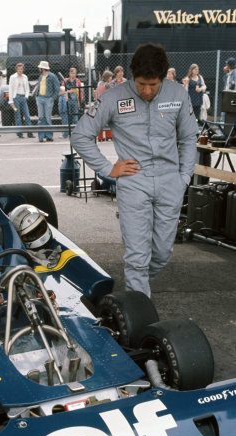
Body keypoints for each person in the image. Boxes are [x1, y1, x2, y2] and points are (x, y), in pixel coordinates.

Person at [71, 43, 198, 297]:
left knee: (162, 253)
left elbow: (189, 138)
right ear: (131, 74)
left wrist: (183, 177)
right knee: (137, 257)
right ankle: (139, 315)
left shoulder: (178, 94)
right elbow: (81, 136)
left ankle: (132, 293)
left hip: (170, 182)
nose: (148, 91)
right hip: (133, 182)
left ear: (163, 77)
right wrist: (108, 168)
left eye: (154, 85)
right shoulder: (112, 97)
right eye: (142, 84)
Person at [34, 60, 60, 142]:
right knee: (41, 118)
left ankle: (49, 136)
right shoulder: (41, 76)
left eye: (40, 68)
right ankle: (41, 136)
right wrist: (37, 96)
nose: (39, 69)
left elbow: (57, 87)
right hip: (40, 98)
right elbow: (38, 86)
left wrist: (53, 98)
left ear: (43, 68)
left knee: (48, 118)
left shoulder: (52, 76)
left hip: (48, 99)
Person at [8, 63, 35, 138]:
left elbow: (27, 88)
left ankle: (30, 133)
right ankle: (19, 133)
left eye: (21, 69)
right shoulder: (13, 77)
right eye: (18, 69)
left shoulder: (25, 77)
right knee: (18, 115)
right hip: (16, 98)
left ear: (23, 69)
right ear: (16, 69)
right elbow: (10, 89)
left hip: (23, 98)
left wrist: (26, 96)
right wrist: (11, 101)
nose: (20, 71)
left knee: (27, 115)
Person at [58, 67, 83, 138]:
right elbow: (62, 91)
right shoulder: (65, 81)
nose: (73, 75)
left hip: (75, 100)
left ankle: (76, 133)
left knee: (75, 116)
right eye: (71, 73)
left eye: (74, 73)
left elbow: (80, 91)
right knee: (66, 115)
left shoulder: (78, 81)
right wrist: (69, 91)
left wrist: (80, 100)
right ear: (69, 73)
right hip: (67, 99)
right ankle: (65, 133)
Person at [221, 57, 236, 122]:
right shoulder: (229, 73)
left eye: (227, 64)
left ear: (229, 65)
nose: (226, 66)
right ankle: (224, 128)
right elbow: (224, 81)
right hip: (227, 96)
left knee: (229, 114)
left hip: (232, 97)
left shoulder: (234, 73)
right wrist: (225, 72)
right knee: (224, 113)